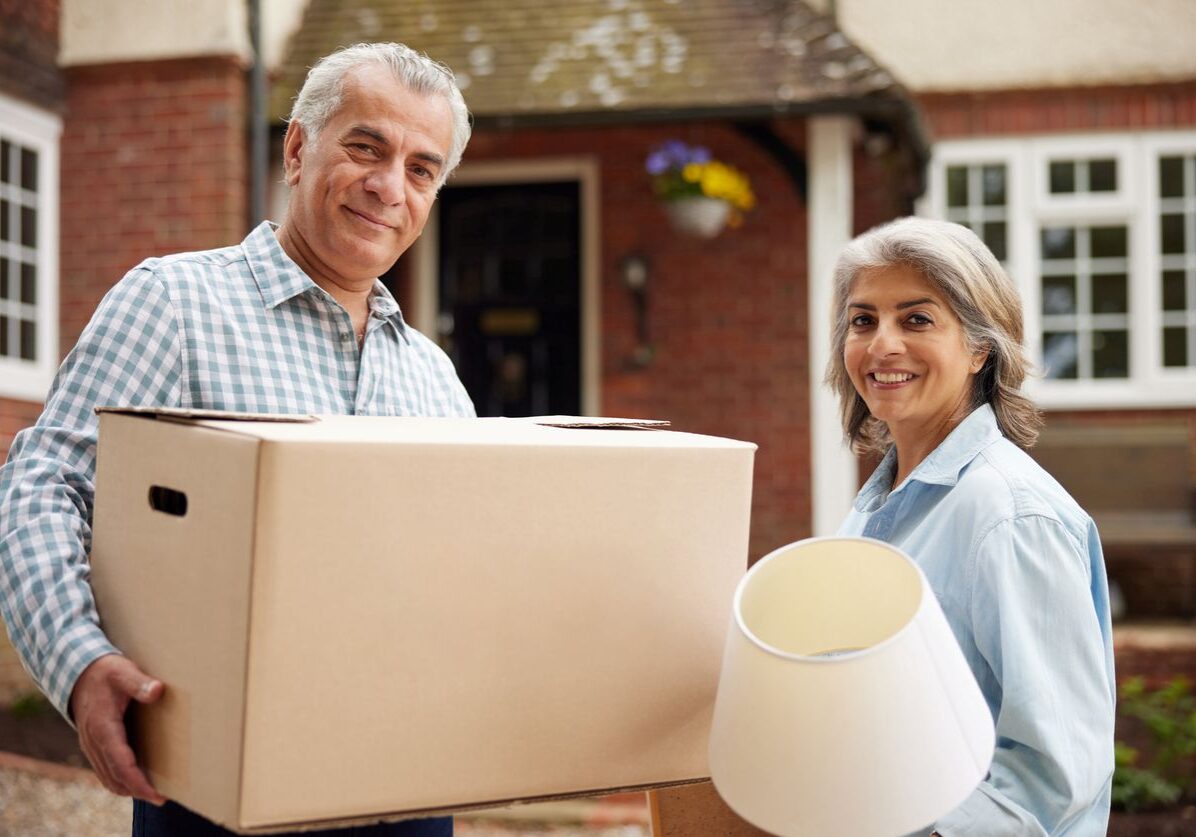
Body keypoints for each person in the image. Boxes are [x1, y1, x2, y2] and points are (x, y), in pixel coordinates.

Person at [0, 42, 475, 836]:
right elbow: (43, 483)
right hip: (219, 788)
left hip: (409, 786)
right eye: (366, 146)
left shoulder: (435, 378)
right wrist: (81, 663)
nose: (389, 186)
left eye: (421, 169)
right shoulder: (174, 304)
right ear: (297, 149)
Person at [826, 217, 1115, 835]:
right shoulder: (874, 509)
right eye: (863, 320)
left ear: (981, 346)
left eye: (917, 319)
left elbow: (1052, 776)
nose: (882, 346)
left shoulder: (1009, 515)